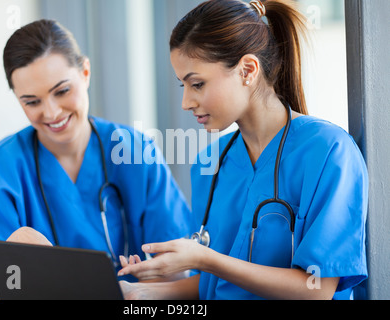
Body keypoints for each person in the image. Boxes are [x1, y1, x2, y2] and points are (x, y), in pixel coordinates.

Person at [118, 0, 369, 300]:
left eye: (197, 84)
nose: (186, 102)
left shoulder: (329, 152)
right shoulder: (209, 163)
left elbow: (317, 289)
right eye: (182, 86)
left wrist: (202, 258)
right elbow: (213, 285)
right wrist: (141, 291)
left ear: (247, 70)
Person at [0, 19, 192, 300]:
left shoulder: (135, 151)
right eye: (32, 102)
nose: (52, 112)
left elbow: (179, 271)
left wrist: (149, 281)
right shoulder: (1, 170)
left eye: (62, 91)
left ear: (85, 72)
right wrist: (16, 257)